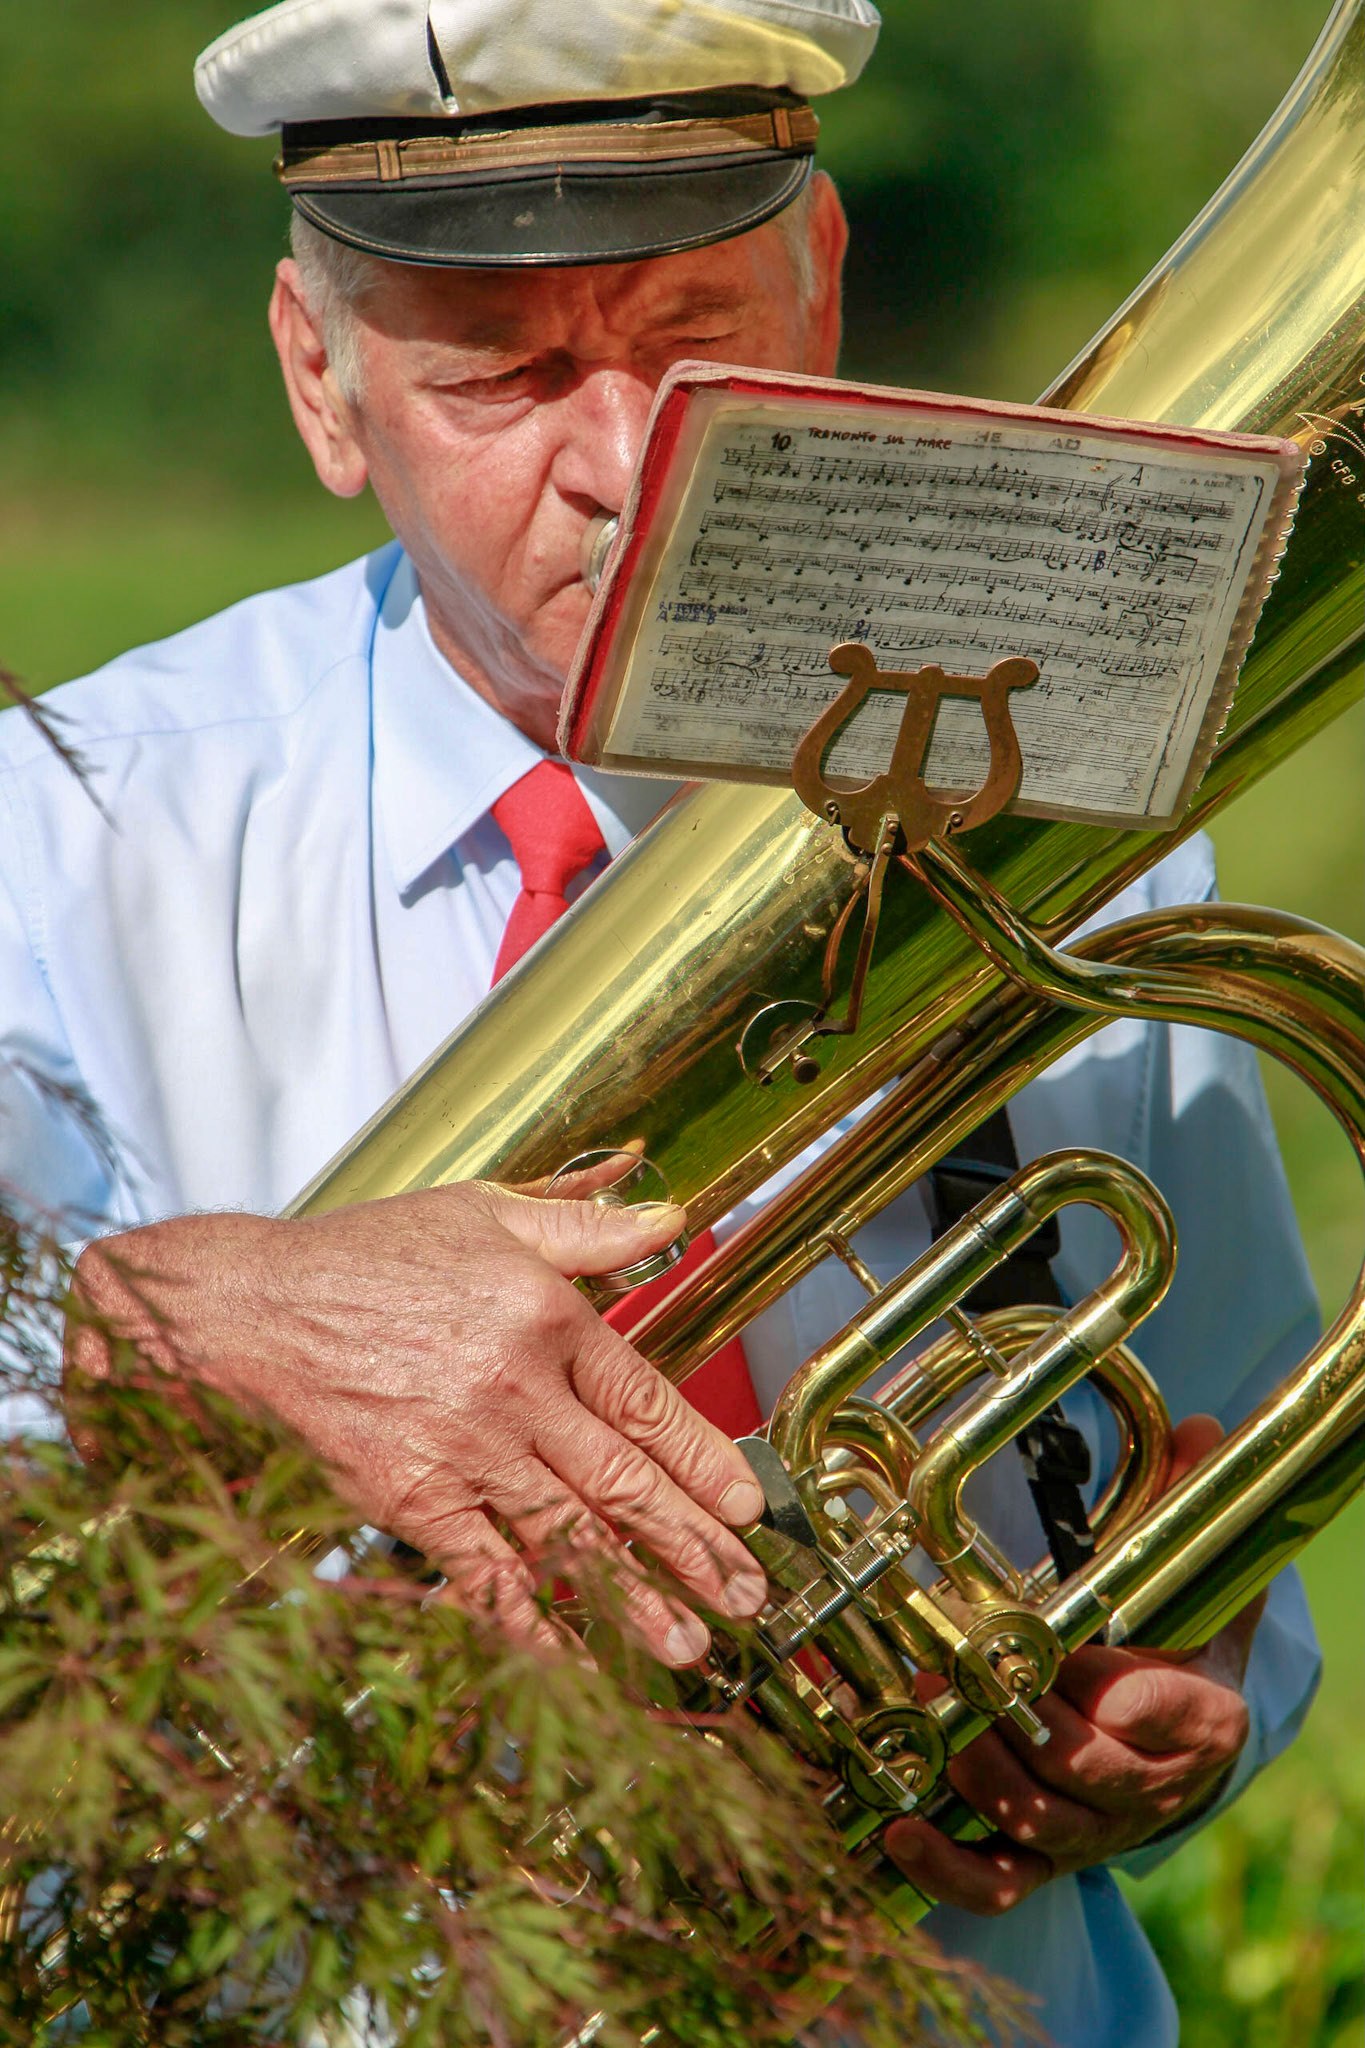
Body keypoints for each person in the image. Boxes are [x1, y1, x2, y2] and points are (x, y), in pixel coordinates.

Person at [0, 1, 1322, 2040]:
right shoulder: (64, 837)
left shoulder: (1077, 811)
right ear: (321, 383)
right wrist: (148, 1330)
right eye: (506, 374)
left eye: (697, 334)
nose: (625, 467)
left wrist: (1181, 1710)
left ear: (827, 285)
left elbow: (1222, 1501)